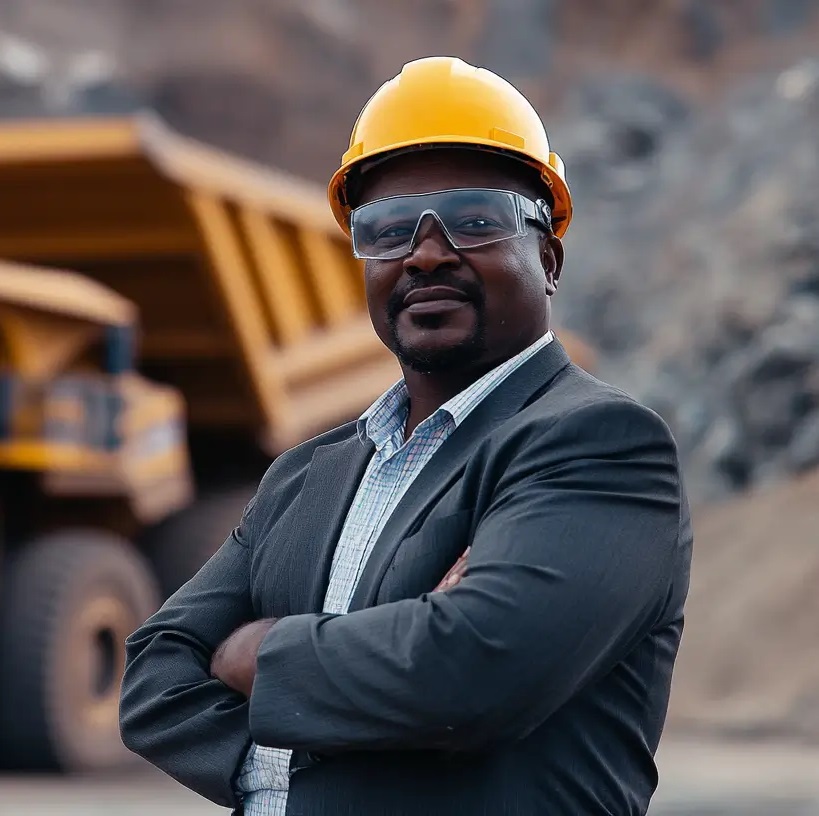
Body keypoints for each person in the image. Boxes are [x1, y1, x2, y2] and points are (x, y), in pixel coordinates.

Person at [120, 56, 692, 816]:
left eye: (475, 219)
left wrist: (255, 651)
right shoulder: (303, 476)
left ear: (547, 258)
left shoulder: (598, 444)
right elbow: (154, 679)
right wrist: (313, 759)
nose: (424, 252)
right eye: (386, 230)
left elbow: (472, 672)